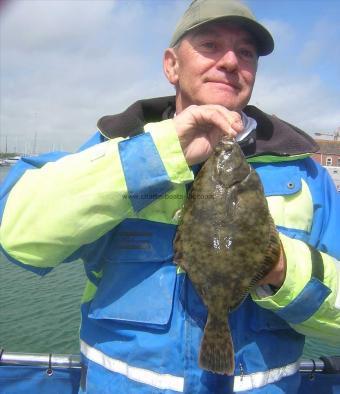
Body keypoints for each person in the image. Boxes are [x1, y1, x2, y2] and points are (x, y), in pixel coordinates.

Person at [1, 0, 339, 392]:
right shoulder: (114, 149)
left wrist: (280, 269)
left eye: (245, 52)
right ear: (171, 66)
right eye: (210, 45)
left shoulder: (304, 172)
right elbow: (18, 236)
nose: (230, 60)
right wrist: (155, 155)